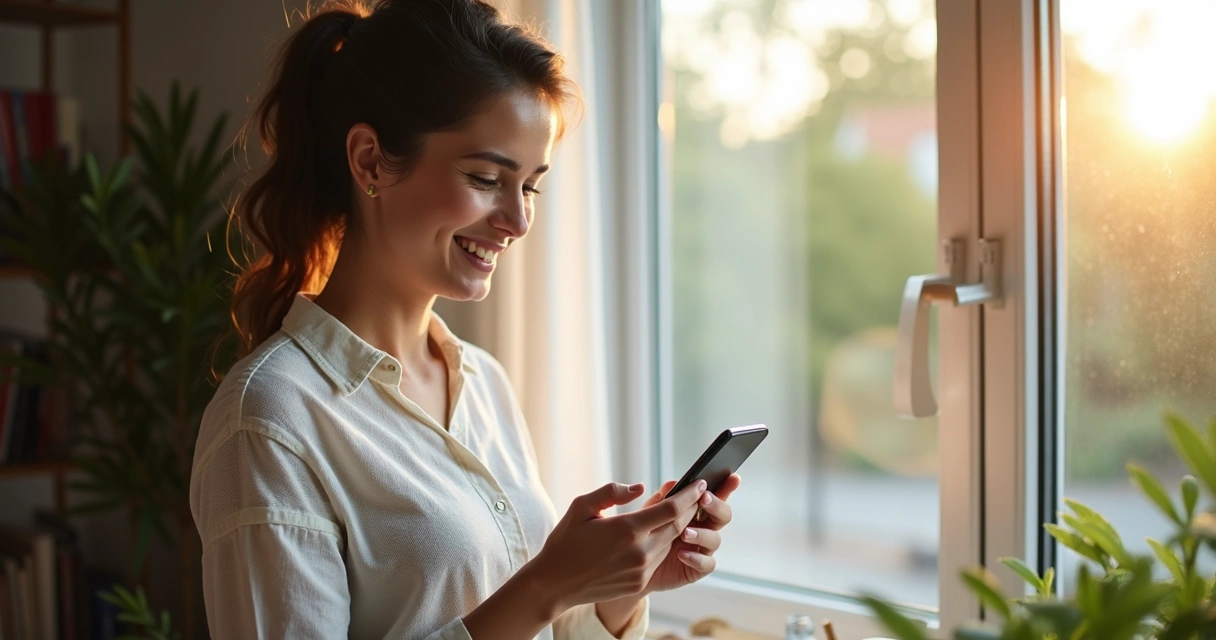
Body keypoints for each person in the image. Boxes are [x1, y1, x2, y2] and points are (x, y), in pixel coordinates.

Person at [189, 1, 744, 638]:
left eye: (529, 186)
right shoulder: (269, 419)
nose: (518, 221)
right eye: (485, 178)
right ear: (370, 161)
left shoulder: (484, 383)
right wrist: (547, 585)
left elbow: (538, 624)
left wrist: (617, 586)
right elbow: (530, 602)